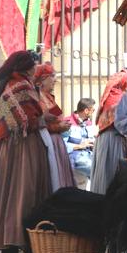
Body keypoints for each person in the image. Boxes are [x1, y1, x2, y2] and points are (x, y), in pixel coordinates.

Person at [0, 51, 51, 253]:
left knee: (7, 195)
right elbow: (27, 120)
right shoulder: (22, 86)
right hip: (22, 148)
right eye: (34, 65)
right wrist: (47, 121)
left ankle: (10, 249)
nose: (36, 69)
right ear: (27, 67)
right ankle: (18, 249)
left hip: (10, 148)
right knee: (23, 194)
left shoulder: (8, 84)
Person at [90, 71, 127, 194]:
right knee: (110, 175)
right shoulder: (118, 99)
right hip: (112, 141)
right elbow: (121, 124)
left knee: (105, 174)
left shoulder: (113, 97)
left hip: (109, 139)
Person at [34, 64, 75, 192]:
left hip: (57, 141)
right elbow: (37, 121)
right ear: (42, 80)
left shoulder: (49, 97)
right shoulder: (37, 98)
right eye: (51, 76)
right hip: (48, 141)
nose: (54, 80)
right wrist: (58, 127)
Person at [65, 98, 97, 188]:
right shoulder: (67, 123)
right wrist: (80, 145)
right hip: (76, 160)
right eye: (93, 110)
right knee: (97, 172)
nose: (93, 112)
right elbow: (63, 145)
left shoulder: (89, 123)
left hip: (89, 156)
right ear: (86, 110)